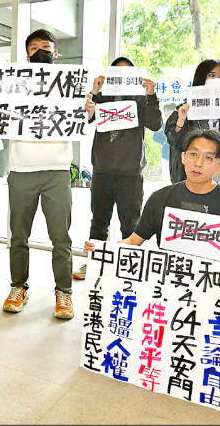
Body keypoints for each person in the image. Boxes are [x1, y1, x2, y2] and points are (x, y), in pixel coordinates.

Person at [85, 129, 220, 300]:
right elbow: (133, 241)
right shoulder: (161, 198)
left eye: (208, 158)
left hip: (216, 298)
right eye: (193, 154)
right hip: (168, 294)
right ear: (183, 158)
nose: (198, 163)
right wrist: (103, 249)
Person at [0, 29, 75, 319]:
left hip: (57, 170)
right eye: (34, 47)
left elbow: (82, 121)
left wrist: (88, 110)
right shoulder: (10, 86)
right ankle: (19, 287)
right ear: (26, 54)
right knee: (18, 235)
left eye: (46, 46)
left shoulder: (70, 85)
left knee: (61, 237)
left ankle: (63, 292)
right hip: (21, 170)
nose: (40, 51)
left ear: (56, 53)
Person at [73, 56, 162, 280]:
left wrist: (151, 95)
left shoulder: (141, 98)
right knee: (99, 222)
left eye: (127, 72)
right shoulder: (101, 95)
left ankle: (129, 268)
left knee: (131, 223)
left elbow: (155, 124)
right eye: (117, 72)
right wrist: (93, 91)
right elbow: (83, 119)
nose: (122, 76)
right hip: (102, 168)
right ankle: (94, 264)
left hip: (131, 171)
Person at [164, 59, 220, 194]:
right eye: (212, 75)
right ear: (202, 78)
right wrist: (181, 120)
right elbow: (175, 142)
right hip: (193, 173)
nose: (217, 79)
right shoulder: (185, 108)